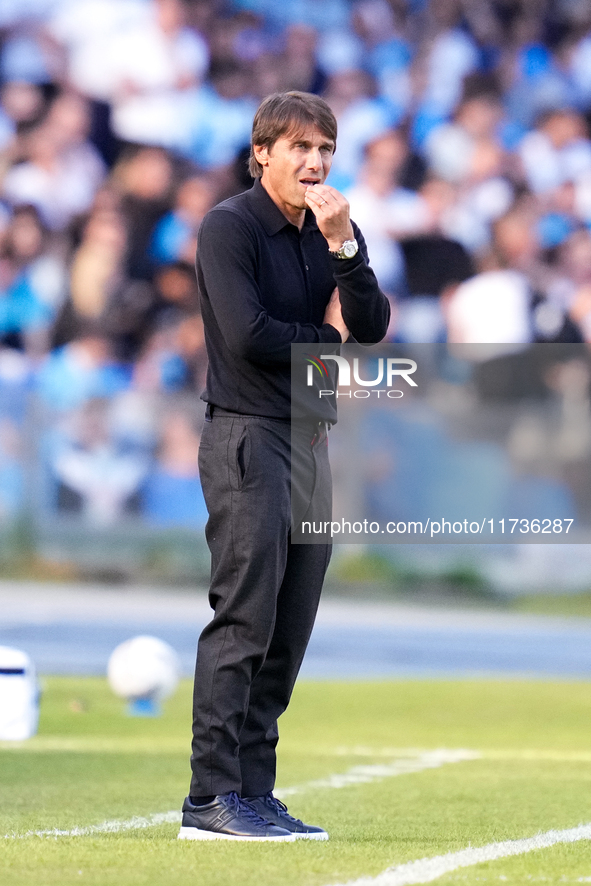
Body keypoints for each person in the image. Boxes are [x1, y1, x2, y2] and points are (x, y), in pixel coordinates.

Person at [179, 90, 390, 842]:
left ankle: (254, 793)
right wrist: (324, 343)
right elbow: (248, 337)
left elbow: (369, 326)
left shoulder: (330, 228)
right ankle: (209, 798)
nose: (315, 161)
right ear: (262, 151)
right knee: (245, 618)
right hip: (248, 436)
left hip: (307, 437)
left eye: (326, 148)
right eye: (300, 146)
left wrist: (345, 249)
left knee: (288, 628)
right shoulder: (229, 227)